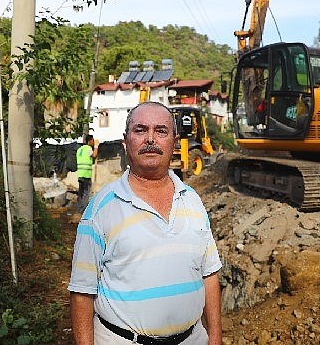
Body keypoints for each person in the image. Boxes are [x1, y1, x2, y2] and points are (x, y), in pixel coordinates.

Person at [68, 101, 222, 345]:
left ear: (174, 142)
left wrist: (214, 337)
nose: (150, 138)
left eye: (161, 131)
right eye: (140, 130)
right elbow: (81, 292)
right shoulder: (101, 208)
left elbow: (209, 274)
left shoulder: (193, 200)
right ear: (125, 143)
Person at [76, 134, 98, 211]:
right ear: (89, 141)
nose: (93, 142)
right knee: (86, 193)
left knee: (80, 192)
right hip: (86, 175)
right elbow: (94, 155)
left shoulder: (79, 150)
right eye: (92, 141)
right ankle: (84, 210)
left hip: (80, 174)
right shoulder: (88, 149)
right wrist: (96, 146)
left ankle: (79, 208)